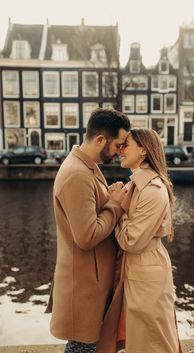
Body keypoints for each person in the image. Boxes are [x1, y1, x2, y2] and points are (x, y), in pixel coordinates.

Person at [46, 108, 130, 353]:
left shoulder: (87, 166)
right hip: (83, 288)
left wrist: (110, 196)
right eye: (118, 144)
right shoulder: (77, 174)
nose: (120, 151)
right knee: (81, 349)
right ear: (101, 139)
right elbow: (87, 236)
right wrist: (114, 204)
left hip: (90, 284)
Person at [114, 128, 182, 353]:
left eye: (127, 145)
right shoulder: (136, 184)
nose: (120, 150)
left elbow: (131, 241)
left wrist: (116, 209)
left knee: (154, 341)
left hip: (146, 272)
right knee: (141, 340)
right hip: (139, 270)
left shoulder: (152, 190)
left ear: (143, 150)